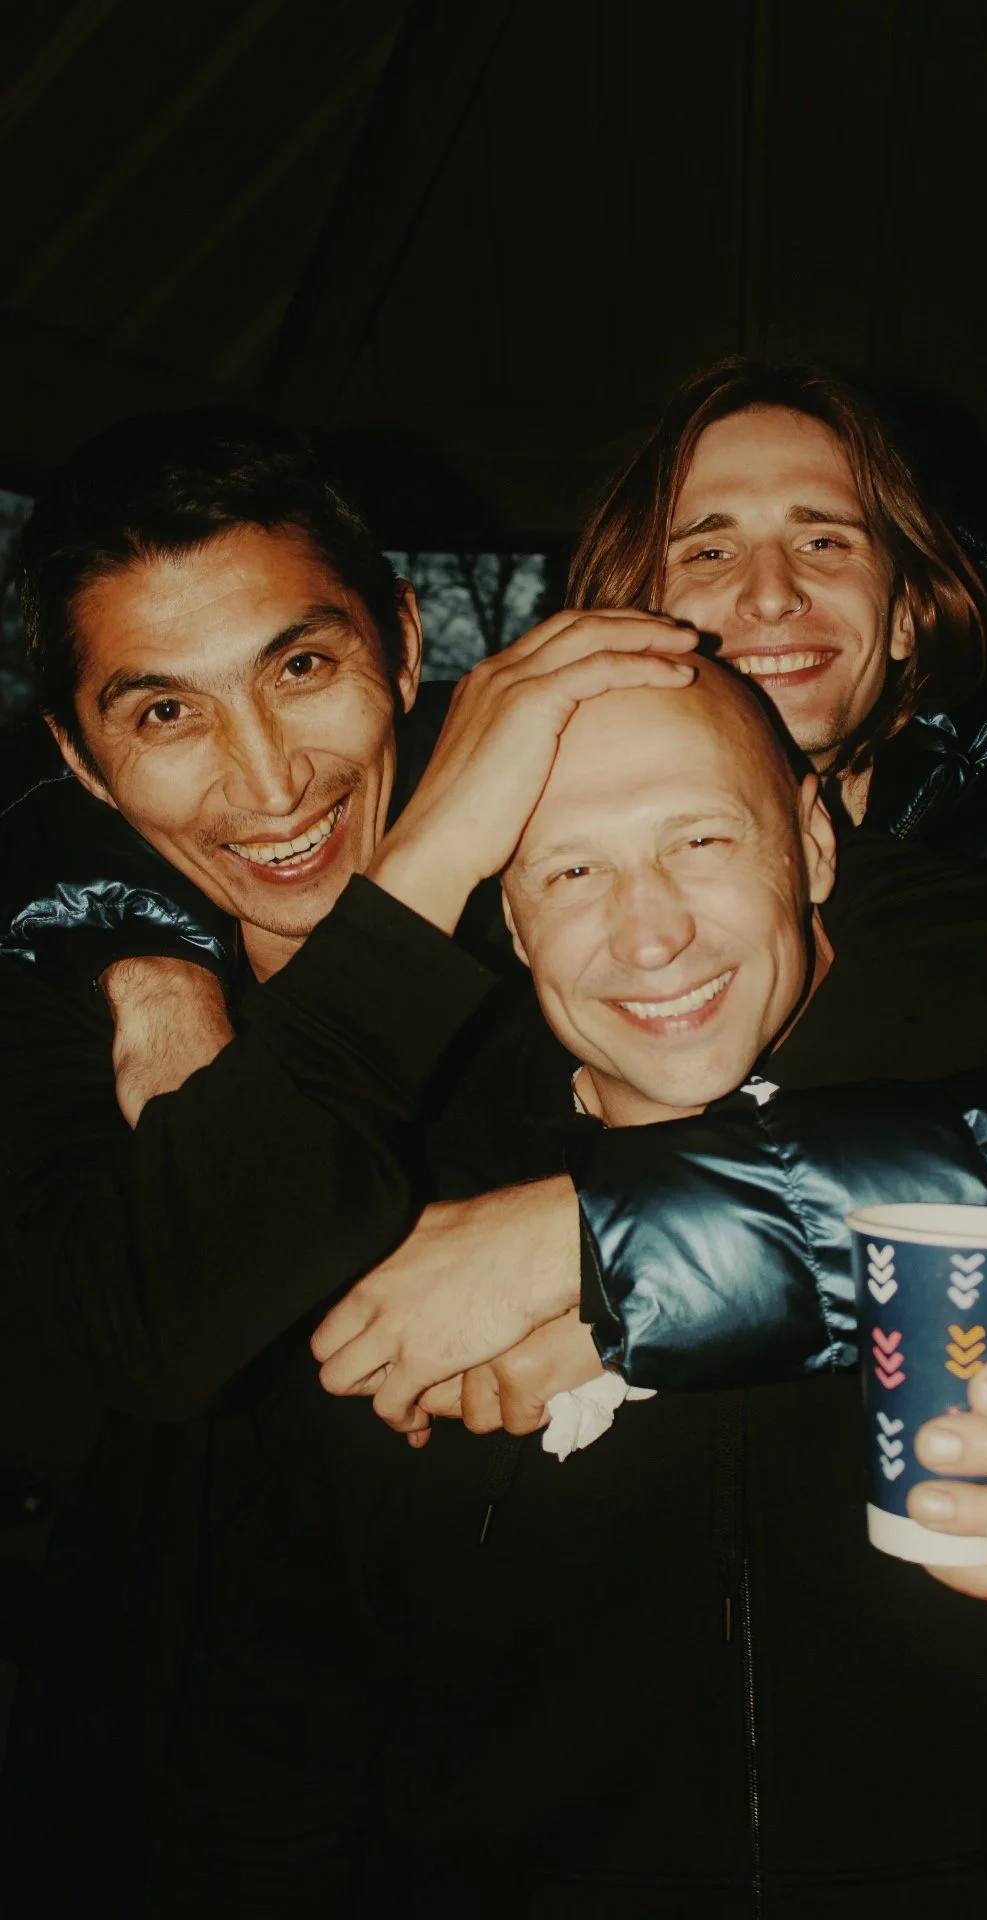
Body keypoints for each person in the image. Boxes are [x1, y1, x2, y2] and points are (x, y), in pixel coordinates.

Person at [149, 665, 987, 1917]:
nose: (649, 933)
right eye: (571, 871)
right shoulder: (393, 1233)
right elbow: (278, 1725)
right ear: (510, 923)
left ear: (812, 846)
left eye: (700, 840)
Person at [0, 410, 703, 1907]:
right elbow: (158, 1324)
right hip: (169, 1843)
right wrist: (416, 865)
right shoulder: (55, 1010)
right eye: (165, 713)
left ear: (402, 641)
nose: (268, 786)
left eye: (300, 669)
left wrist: (610, 1232)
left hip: (570, 1842)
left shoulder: (598, 942)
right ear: (78, 758)